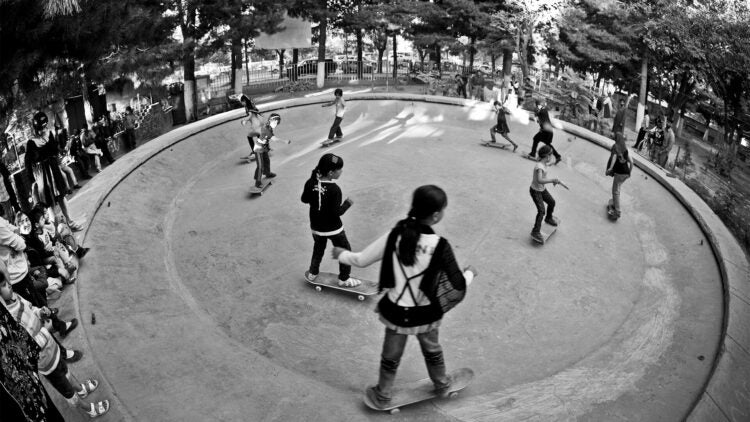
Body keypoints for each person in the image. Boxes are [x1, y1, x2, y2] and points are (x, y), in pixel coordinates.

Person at [330, 185, 476, 408]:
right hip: (425, 314)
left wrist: (342, 254)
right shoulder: (440, 246)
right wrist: (469, 273)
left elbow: (361, 260)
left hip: (396, 311)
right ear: (436, 215)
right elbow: (456, 284)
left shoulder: (395, 235)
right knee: (432, 350)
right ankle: (442, 385)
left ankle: (384, 394)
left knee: (390, 356)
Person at [0, 275, 110, 418]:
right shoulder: (8, 320)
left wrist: (40, 312)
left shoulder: (16, 297)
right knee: (67, 391)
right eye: (3, 285)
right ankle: (88, 409)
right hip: (44, 360)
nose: (9, 285)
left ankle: (80, 389)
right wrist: (42, 335)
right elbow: (24, 345)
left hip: (51, 347)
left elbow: (31, 308)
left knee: (65, 370)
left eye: (7, 282)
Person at [301, 154, 360, 287]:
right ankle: (344, 279)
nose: (341, 171)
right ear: (331, 173)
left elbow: (304, 199)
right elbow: (336, 213)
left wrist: (313, 185)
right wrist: (347, 203)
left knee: (318, 249)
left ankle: (313, 272)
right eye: (340, 169)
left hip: (316, 227)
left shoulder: (310, 183)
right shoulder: (335, 190)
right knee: (345, 251)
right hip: (334, 229)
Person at [24, 127, 83, 230]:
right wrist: (32, 180)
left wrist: (47, 138)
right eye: (41, 127)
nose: (43, 129)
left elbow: (55, 150)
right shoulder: (31, 143)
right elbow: (28, 162)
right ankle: (55, 231)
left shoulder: (49, 135)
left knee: (61, 196)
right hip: (42, 174)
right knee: (48, 203)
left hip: (54, 170)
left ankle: (70, 222)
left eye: (44, 126)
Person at [529, 145, 563, 243]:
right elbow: (539, 180)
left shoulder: (544, 164)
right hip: (535, 191)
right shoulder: (540, 167)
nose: (551, 157)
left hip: (541, 190)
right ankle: (535, 231)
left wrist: (556, 161)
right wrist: (552, 180)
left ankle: (548, 218)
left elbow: (550, 163)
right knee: (541, 211)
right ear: (547, 156)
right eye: (551, 155)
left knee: (551, 202)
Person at [250, 113, 289, 188]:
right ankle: (257, 182)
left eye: (277, 123)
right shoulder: (266, 128)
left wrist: (268, 147)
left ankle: (267, 173)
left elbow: (266, 138)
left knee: (267, 160)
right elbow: (274, 139)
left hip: (264, 147)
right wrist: (284, 141)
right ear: (271, 121)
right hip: (258, 148)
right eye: (275, 122)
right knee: (260, 165)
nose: (276, 124)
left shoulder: (270, 128)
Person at [605, 133, 634, 218]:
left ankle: (617, 211)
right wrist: (630, 173)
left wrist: (610, 168)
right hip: (626, 173)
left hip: (619, 173)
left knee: (615, 191)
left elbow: (614, 157)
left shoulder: (615, 146)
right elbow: (632, 162)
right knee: (618, 188)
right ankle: (614, 203)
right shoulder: (625, 149)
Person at [528, 100, 562, 164]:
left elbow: (538, 114)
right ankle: (557, 156)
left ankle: (533, 153)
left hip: (545, 130)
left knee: (535, 139)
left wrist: (536, 111)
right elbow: (539, 116)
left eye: (536, 106)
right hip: (549, 131)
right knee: (548, 144)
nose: (536, 107)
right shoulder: (543, 110)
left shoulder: (542, 110)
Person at [239, 95, 262, 161]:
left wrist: (244, 120)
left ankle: (254, 152)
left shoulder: (249, 107)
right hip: (258, 124)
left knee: (249, 136)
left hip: (255, 125)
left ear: (244, 101)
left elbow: (250, 115)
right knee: (258, 135)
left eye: (242, 102)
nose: (242, 103)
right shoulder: (251, 105)